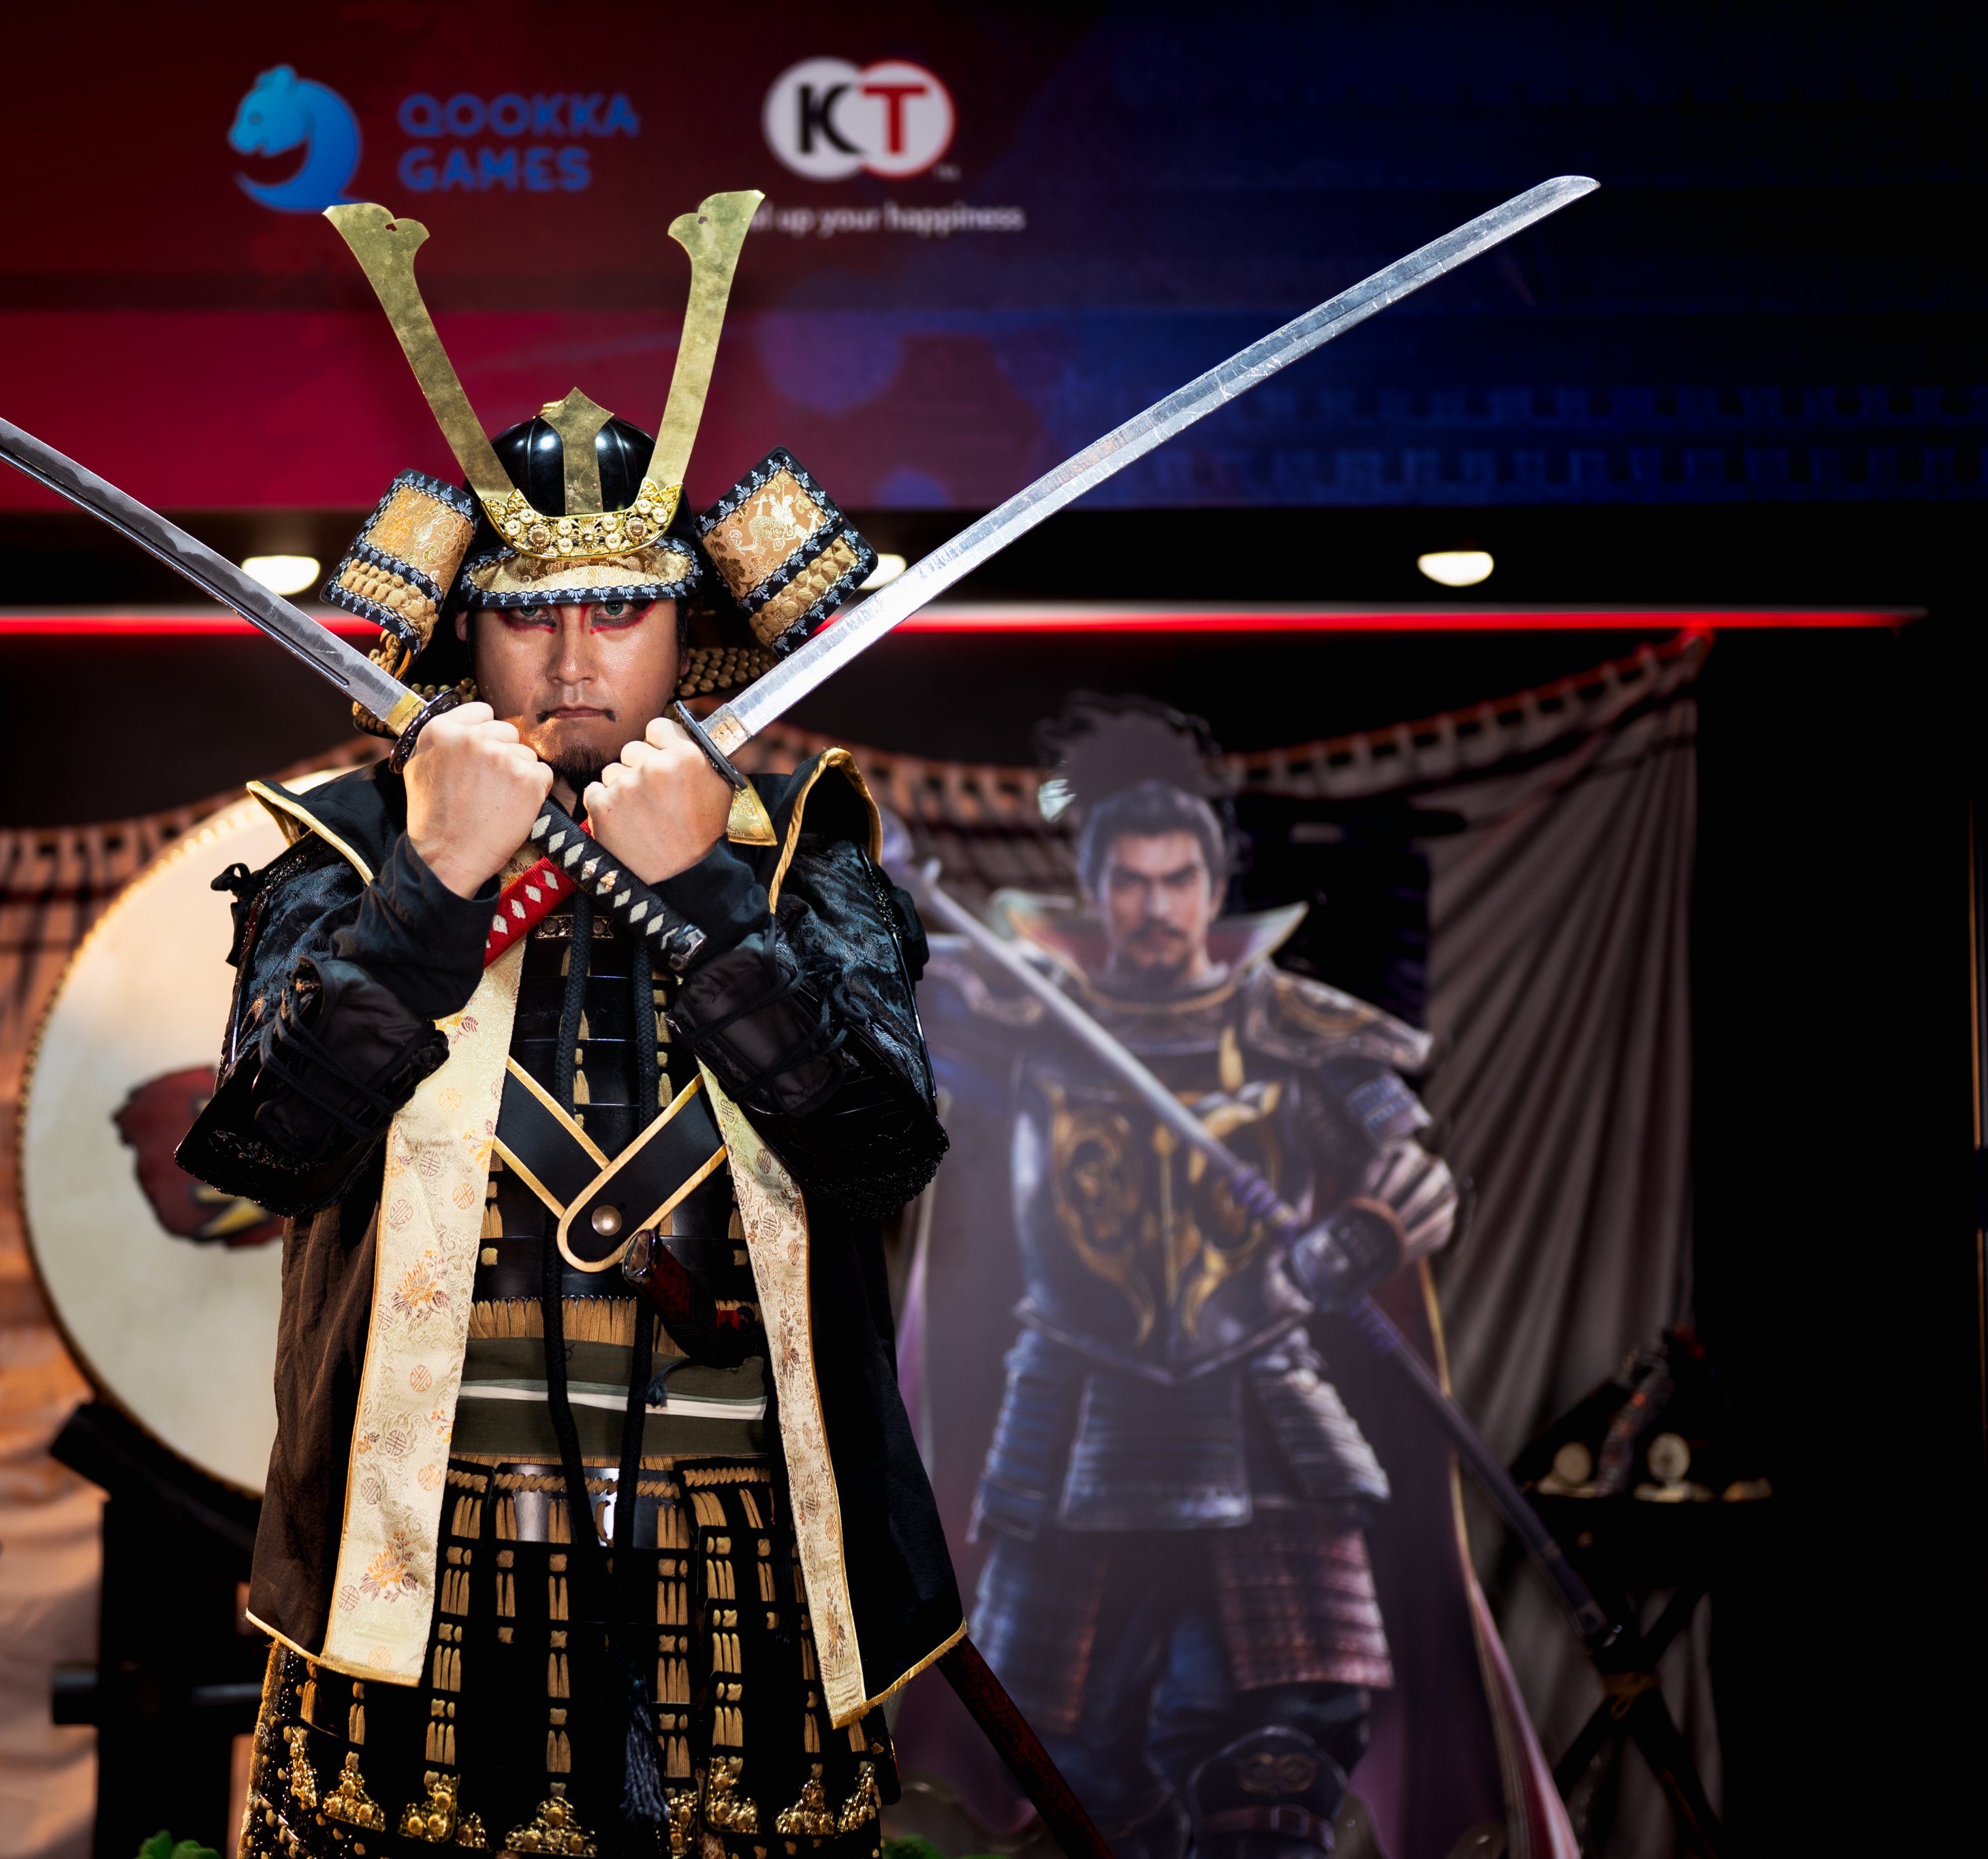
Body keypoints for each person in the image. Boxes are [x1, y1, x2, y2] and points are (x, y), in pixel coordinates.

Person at [178, 192, 960, 1859]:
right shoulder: (350, 848)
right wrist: (430, 885)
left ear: (690, 627)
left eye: (619, 608)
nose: (571, 657)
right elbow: (260, 1151)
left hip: (743, 1551)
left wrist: (717, 900)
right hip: (422, 1553)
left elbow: (878, 1154)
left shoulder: (801, 850)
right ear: (465, 629)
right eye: (526, 613)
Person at [953, 776, 1457, 1859]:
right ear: (1095, 889)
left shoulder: (1293, 1026)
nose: (1155, 906)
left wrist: (1362, 1235)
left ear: (1215, 888)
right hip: (1070, 1420)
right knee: (1064, 1768)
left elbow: (1417, 1177)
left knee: (1275, 1765)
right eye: (1131, 882)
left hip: (1265, 1420)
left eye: (1176, 879)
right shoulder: (1022, 1015)